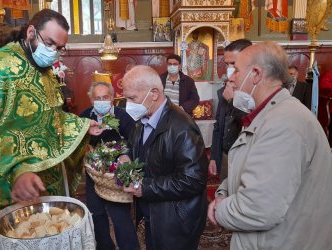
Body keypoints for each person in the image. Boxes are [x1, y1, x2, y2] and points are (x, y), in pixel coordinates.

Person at [0, 9, 104, 249]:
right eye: (49, 43)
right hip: (8, 187)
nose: (53, 52)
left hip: (44, 185)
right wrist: (18, 170)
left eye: (59, 48)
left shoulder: (47, 72)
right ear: (31, 32)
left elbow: (49, 118)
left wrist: (80, 126)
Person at [208, 41, 332, 249]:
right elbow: (247, 169)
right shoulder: (269, 115)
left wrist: (220, 209)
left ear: (255, 74)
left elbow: (258, 209)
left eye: (236, 71)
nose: (231, 79)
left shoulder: (284, 123)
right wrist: (223, 192)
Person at [121, 65, 208, 250]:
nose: (128, 104)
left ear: (153, 93)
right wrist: (126, 156)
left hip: (175, 219)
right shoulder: (141, 119)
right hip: (154, 212)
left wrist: (144, 187)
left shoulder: (182, 126)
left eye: (132, 98)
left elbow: (193, 180)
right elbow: (133, 146)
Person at [80, 82, 139, 250]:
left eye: (105, 97)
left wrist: (126, 155)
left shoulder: (123, 116)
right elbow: (77, 143)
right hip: (94, 174)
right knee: (96, 213)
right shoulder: (84, 117)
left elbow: (135, 141)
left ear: (112, 98)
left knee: (120, 216)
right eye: (97, 98)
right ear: (91, 100)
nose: (101, 101)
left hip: (116, 175)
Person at [209, 39, 252, 179]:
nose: (230, 69)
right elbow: (218, 127)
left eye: (233, 64)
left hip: (246, 159)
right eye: (227, 64)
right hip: (225, 155)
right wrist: (215, 156)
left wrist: (232, 101)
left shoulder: (256, 93)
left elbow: (253, 123)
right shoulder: (224, 90)